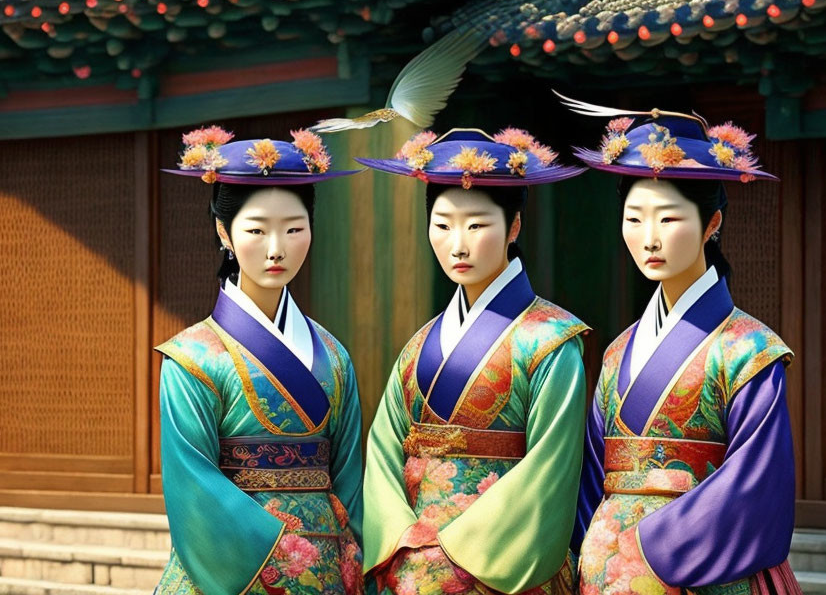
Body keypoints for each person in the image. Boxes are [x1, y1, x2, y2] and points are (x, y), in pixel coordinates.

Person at [556, 96, 802, 595]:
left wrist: (649, 549)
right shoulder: (618, 351)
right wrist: (589, 554)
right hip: (605, 573)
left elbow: (757, 487)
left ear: (712, 225)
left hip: (695, 574)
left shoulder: (749, 349)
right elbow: (591, 477)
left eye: (667, 219)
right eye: (634, 218)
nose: (649, 238)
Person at [358, 127, 589, 595]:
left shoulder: (551, 340)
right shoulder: (418, 346)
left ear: (515, 227)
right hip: (411, 561)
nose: (458, 245)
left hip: (497, 563)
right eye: (442, 225)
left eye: (477, 225)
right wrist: (403, 538)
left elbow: (551, 467)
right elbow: (384, 451)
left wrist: (454, 552)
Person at [154, 127, 364, 595]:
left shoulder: (333, 356)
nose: (276, 249)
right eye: (256, 230)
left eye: (293, 229)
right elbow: (194, 488)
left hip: (327, 570)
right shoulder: (191, 359)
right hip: (237, 573)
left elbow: (349, 479)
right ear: (223, 231)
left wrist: (350, 558)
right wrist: (281, 561)